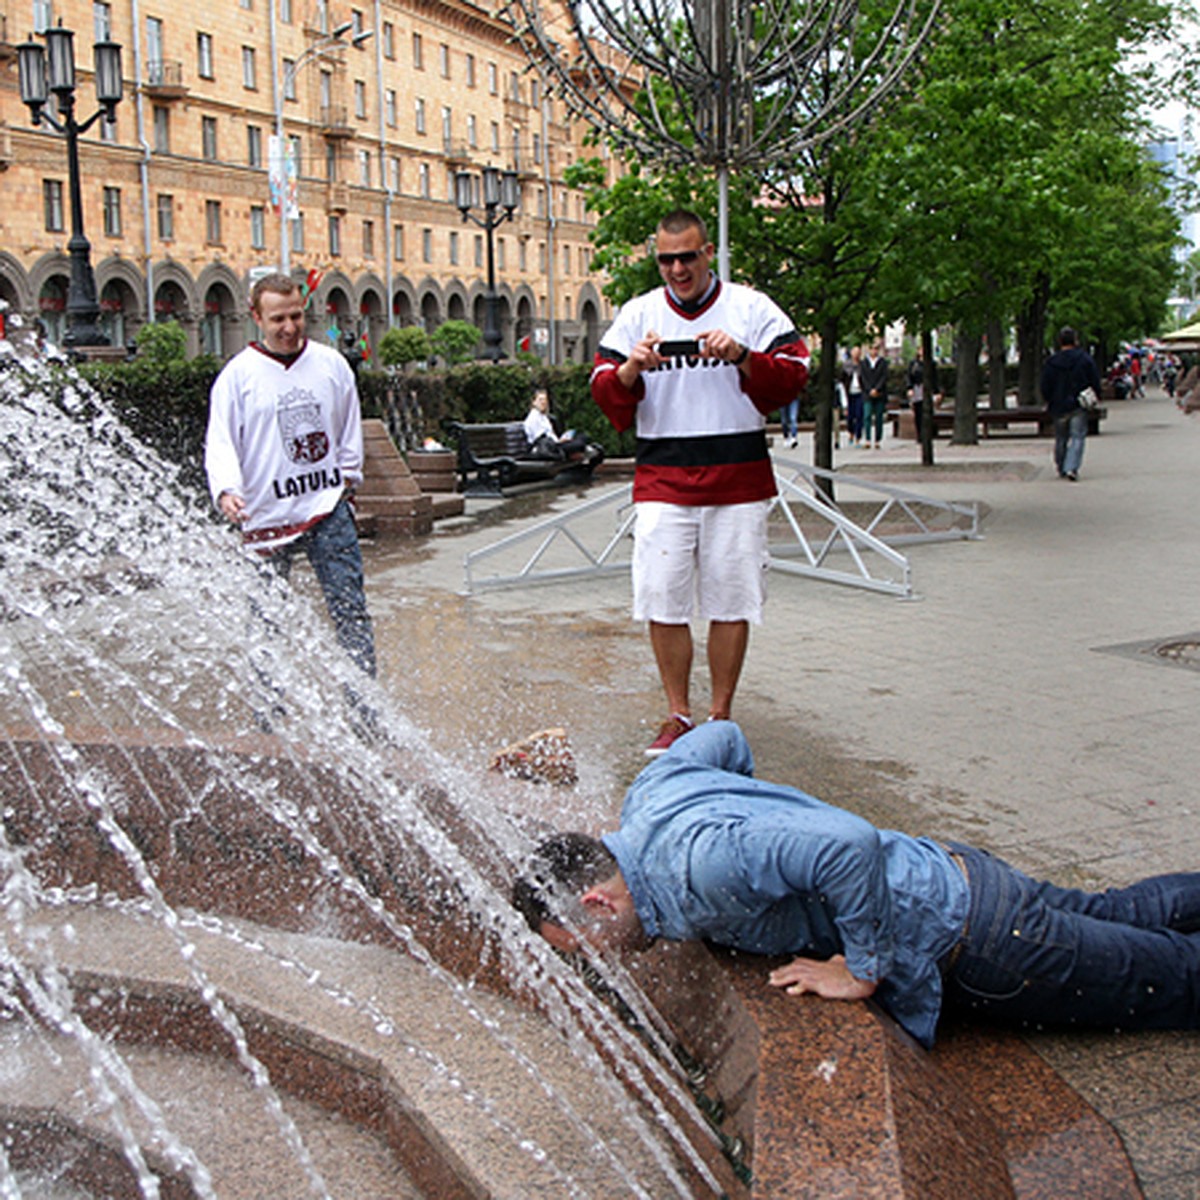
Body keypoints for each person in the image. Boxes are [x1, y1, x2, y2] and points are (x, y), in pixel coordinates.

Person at [513, 720, 1200, 1049]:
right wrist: (757, 820)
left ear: (598, 900)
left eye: (585, 945)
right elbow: (722, 735)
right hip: (959, 872)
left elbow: (845, 846)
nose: (597, 957)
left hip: (982, 941)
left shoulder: (696, 874)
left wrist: (863, 970)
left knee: (1179, 980)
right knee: (1127, 911)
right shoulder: (651, 795)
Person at [590, 210, 810, 755]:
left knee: (731, 599)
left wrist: (740, 355)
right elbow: (601, 384)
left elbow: (796, 371)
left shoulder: (750, 307)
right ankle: (678, 714)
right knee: (662, 597)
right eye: (667, 259)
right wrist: (629, 370)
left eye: (688, 256)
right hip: (664, 477)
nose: (678, 269)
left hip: (737, 477)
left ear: (708, 252)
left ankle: (719, 715)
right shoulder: (639, 313)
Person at [205, 271, 377, 679]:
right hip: (266, 515)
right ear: (257, 317)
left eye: (296, 316)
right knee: (266, 620)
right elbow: (221, 440)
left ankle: (366, 714)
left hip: (325, 509)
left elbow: (347, 428)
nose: (289, 328)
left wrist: (348, 481)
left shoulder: (331, 365)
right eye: (278, 319)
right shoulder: (238, 375)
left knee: (350, 612)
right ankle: (270, 715)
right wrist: (228, 489)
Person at [1040, 326, 1101, 482]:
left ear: (1060, 341)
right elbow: (1094, 380)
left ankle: (1061, 466)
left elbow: (1045, 385)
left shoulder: (1052, 362)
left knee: (1061, 438)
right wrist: (1095, 396)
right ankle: (1072, 467)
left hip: (1058, 405)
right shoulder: (1084, 359)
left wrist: (1049, 399)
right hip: (1078, 404)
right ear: (1075, 340)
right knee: (1078, 437)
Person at [523, 388, 602, 466]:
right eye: (540, 400)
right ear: (534, 402)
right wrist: (560, 442)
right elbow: (542, 440)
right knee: (578, 444)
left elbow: (551, 436)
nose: (543, 403)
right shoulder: (533, 418)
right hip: (549, 449)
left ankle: (582, 452)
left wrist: (561, 439)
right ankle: (582, 453)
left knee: (583, 436)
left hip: (555, 445)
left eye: (545, 400)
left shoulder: (544, 417)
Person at [861, 339, 889, 449]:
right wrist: (869, 390)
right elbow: (862, 378)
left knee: (879, 417)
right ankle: (867, 439)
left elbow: (884, 377)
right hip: (867, 393)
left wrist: (877, 389)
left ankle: (878, 439)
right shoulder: (864, 363)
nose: (874, 351)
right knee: (867, 415)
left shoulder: (883, 362)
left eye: (876, 349)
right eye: (872, 348)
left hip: (880, 393)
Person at [841, 346, 865, 447]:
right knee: (850, 416)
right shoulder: (846, 365)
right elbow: (842, 380)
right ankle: (851, 433)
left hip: (860, 393)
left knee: (859, 415)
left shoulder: (863, 365)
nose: (856, 354)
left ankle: (858, 437)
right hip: (849, 393)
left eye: (858, 352)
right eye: (854, 352)